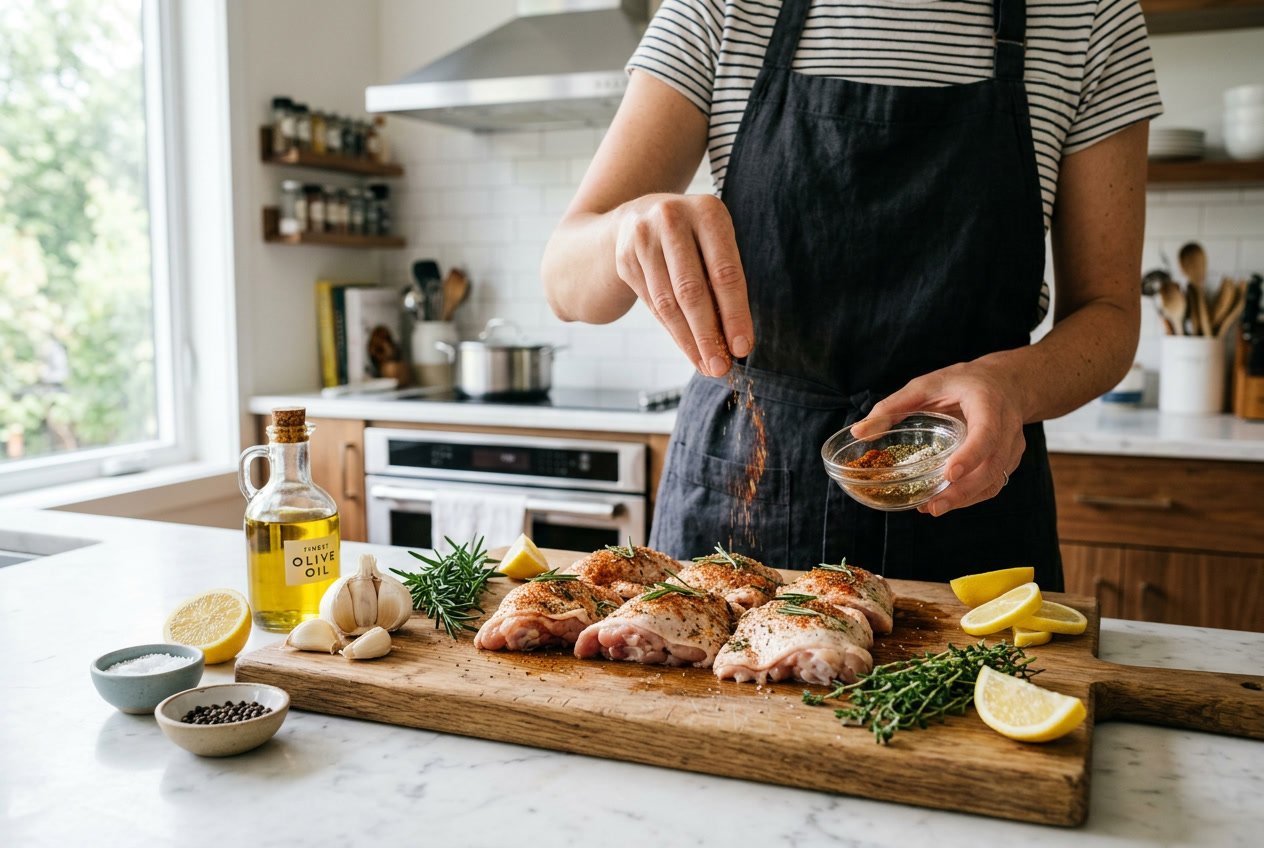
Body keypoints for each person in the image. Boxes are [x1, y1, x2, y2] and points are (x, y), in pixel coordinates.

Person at [541, 0, 1162, 586]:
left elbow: (1108, 313)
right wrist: (626, 228)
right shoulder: (723, 8)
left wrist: (1012, 385)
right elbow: (566, 284)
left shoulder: (1092, 16)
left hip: (965, 490)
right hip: (746, 485)